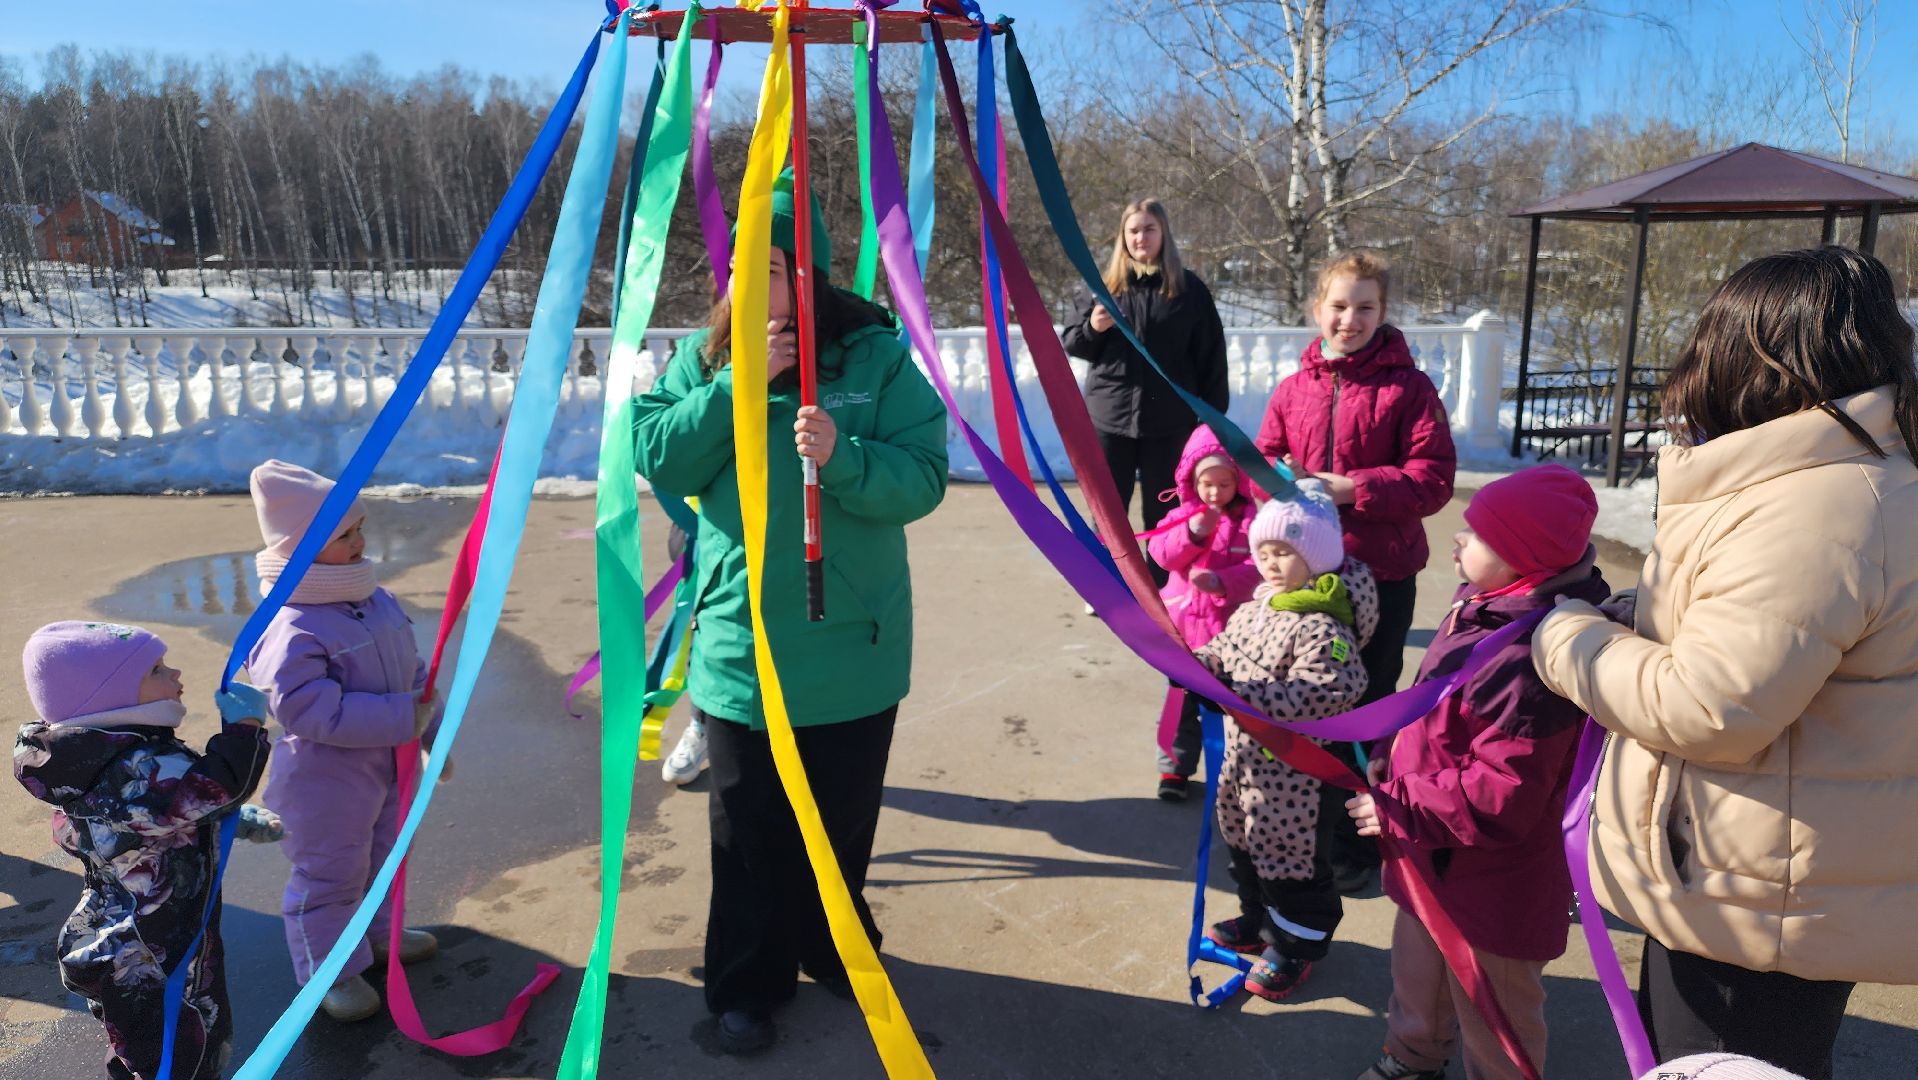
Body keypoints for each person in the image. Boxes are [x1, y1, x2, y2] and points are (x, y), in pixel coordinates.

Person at [1532, 246, 1918, 1080]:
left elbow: (1711, 708)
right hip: (1772, 876)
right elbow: (1786, 640)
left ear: (1759, 353)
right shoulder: (1843, 480)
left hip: (1754, 900)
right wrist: (1655, 616)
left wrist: (1565, 640)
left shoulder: (1820, 506)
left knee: (1712, 1063)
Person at [630, 169, 949, 1056]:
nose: (755, 284)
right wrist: (733, 393)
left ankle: (835, 946)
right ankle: (745, 982)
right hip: (743, 652)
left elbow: (923, 477)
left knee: (844, 822)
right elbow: (653, 455)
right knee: (747, 835)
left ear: (812, 276)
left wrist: (844, 456)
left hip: (855, 651)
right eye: (743, 266)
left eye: (776, 267)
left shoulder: (874, 358)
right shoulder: (705, 359)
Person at [1348, 464, 1606, 1080]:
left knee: (1495, 1010)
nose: (1459, 540)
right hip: (1427, 849)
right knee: (1417, 977)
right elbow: (1432, 704)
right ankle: (1412, 1060)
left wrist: (1401, 801)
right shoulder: (1482, 605)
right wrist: (1391, 752)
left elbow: (1505, 792)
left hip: (1495, 880)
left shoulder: (1532, 660)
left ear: (1526, 555)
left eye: (1478, 533)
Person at [1256, 250, 1456, 894]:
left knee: (1368, 706)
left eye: (1365, 307)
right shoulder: (1293, 389)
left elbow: (1433, 479)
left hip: (1384, 573)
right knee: (1307, 698)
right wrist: (1276, 480)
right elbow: (1264, 458)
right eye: (1339, 306)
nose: (1350, 319)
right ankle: (1303, 825)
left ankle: (1360, 841)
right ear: (1317, 310)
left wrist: (1353, 489)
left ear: (1383, 312)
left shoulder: (1410, 388)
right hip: (1309, 579)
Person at [15, 621, 278, 1079]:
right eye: (157, 668)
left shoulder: (102, 754)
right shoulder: (127, 765)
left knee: (151, 1047)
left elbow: (161, 817)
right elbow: (209, 788)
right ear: (110, 697)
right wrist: (245, 731)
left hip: (141, 934)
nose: (176, 674)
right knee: (175, 1056)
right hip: (149, 955)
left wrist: (225, 820)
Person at [243, 460, 445, 1024]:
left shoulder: (374, 600)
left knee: (384, 858)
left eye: (359, 529)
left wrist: (431, 730)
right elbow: (309, 710)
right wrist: (408, 717)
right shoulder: (290, 623)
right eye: (343, 536)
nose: (360, 543)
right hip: (324, 780)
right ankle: (333, 972)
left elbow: (413, 672)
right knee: (331, 876)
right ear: (299, 549)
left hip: (388, 765)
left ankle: (380, 933)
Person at [1193, 484, 1377, 1001]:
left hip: (1295, 779)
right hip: (1241, 764)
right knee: (1244, 848)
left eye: (1285, 553)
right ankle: (1258, 918)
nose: (1271, 564)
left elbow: (1330, 690)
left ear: (1317, 559)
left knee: (1291, 864)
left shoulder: (1323, 624)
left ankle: (1297, 944)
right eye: (1264, 553)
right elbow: (1223, 648)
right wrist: (1199, 665)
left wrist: (1242, 694)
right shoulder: (1257, 606)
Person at [1062, 198, 1229, 580]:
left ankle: (1161, 583)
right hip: (1109, 418)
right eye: (1134, 230)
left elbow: (1210, 357)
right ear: (1123, 236)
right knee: (1108, 510)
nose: (1141, 237)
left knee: (1164, 510)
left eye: (1149, 229)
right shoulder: (1099, 286)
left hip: (1169, 423)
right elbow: (1072, 343)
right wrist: (1094, 328)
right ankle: (1111, 580)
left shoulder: (1188, 290)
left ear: (1163, 234)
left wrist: (1212, 419)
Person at [1145, 425, 1262, 801]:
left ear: (1238, 482)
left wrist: (1224, 581)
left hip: (1230, 639)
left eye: (1224, 484)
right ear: (1192, 481)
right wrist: (1194, 533)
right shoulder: (1181, 516)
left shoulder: (1251, 524)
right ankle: (1174, 770)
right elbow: (1161, 554)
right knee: (1180, 707)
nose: (1214, 493)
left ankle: (1231, 769)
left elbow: (1260, 569)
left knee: (1230, 709)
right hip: (1183, 635)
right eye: (1206, 484)